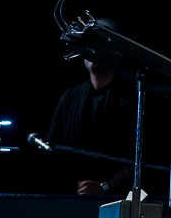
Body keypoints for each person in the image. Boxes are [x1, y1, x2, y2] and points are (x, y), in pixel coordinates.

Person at [46, 53, 134, 196]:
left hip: (118, 199)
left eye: (98, 48)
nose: (92, 52)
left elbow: (142, 157)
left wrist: (105, 187)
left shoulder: (133, 98)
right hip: (71, 197)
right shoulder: (69, 97)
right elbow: (53, 148)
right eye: (88, 47)